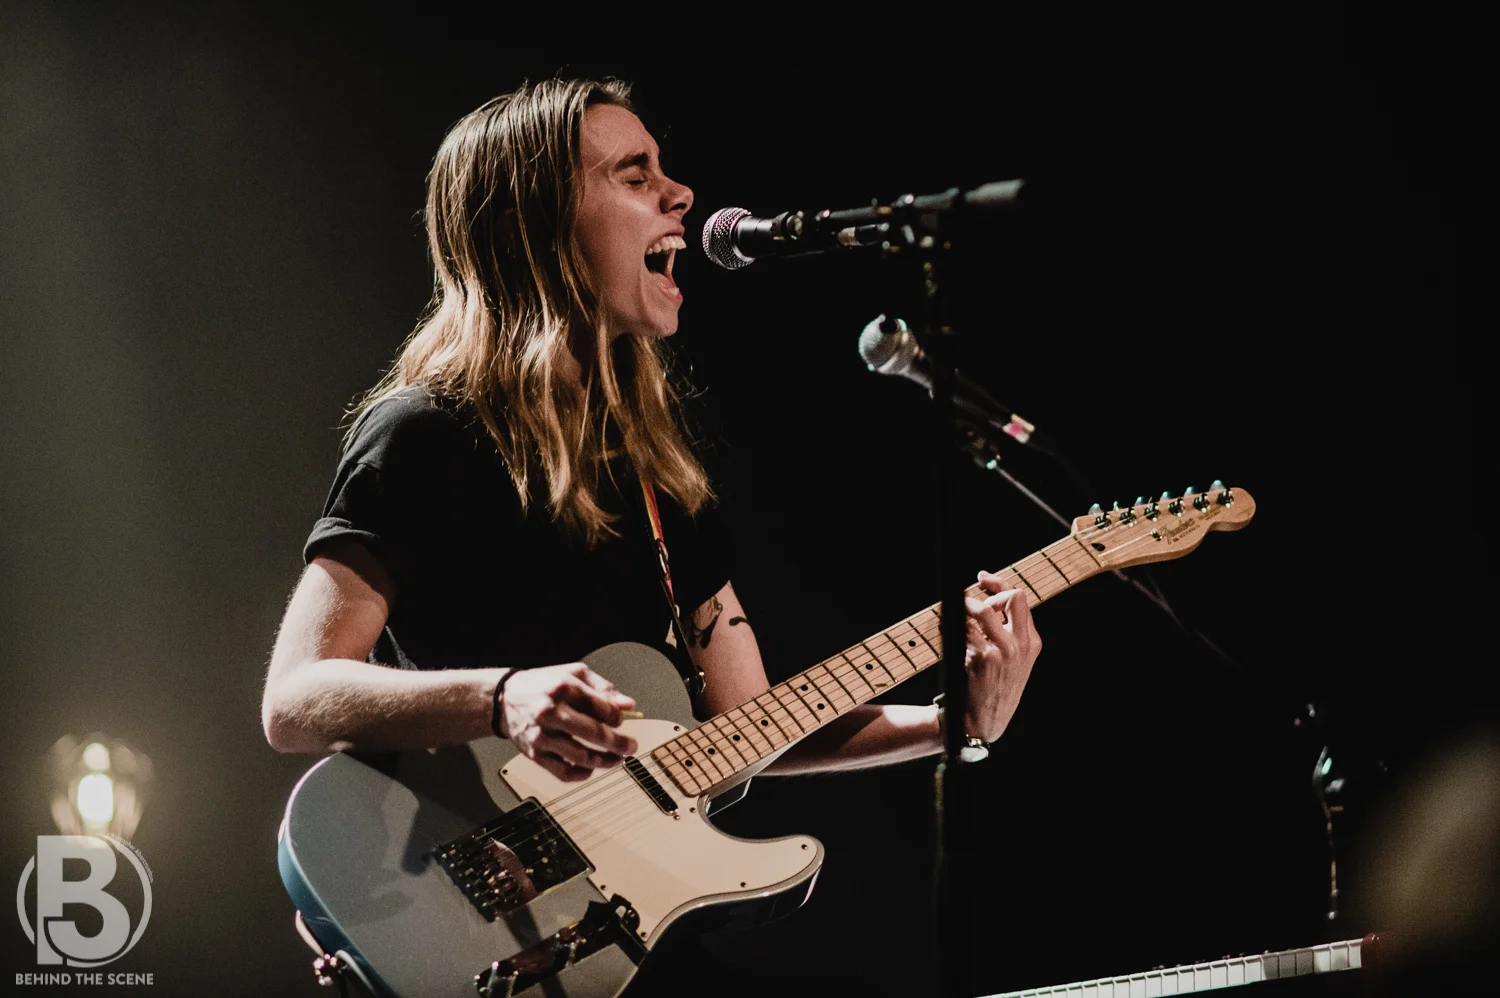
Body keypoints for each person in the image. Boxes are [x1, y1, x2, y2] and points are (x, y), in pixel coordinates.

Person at [261, 77, 1041, 971]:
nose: (682, 196)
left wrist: (953, 726)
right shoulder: (427, 435)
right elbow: (294, 700)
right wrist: (502, 696)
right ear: (540, 222)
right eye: (635, 175)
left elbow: (751, 726)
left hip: (628, 944)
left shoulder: (661, 479)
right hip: (459, 904)